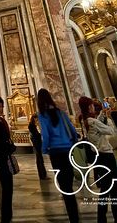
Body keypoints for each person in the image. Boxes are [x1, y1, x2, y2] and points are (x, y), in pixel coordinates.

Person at [79, 96, 117, 223]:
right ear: (89, 107)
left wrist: (102, 116)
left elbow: (97, 125)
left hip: (99, 158)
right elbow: (110, 131)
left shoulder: (86, 121)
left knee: (104, 190)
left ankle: (101, 218)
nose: (93, 106)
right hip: (107, 157)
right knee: (113, 189)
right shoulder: (93, 122)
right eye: (91, 105)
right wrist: (108, 118)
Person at [37, 88, 79, 223]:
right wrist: (72, 144)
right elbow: (73, 131)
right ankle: (75, 217)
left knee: (64, 186)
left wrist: (44, 149)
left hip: (56, 152)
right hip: (68, 150)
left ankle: (73, 216)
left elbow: (46, 135)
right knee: (69, 185)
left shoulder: (42, 115)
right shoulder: (61, 113)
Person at [28, 113, 47, 180]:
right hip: (36, 143)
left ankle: (43, 174)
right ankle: (42, 175)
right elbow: (35, 134)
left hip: (39, 142)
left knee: (40, 158)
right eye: (36, 118)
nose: (37, 119)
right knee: (39, 158)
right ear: (33, 118)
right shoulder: (31, 125)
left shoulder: (37, 124)